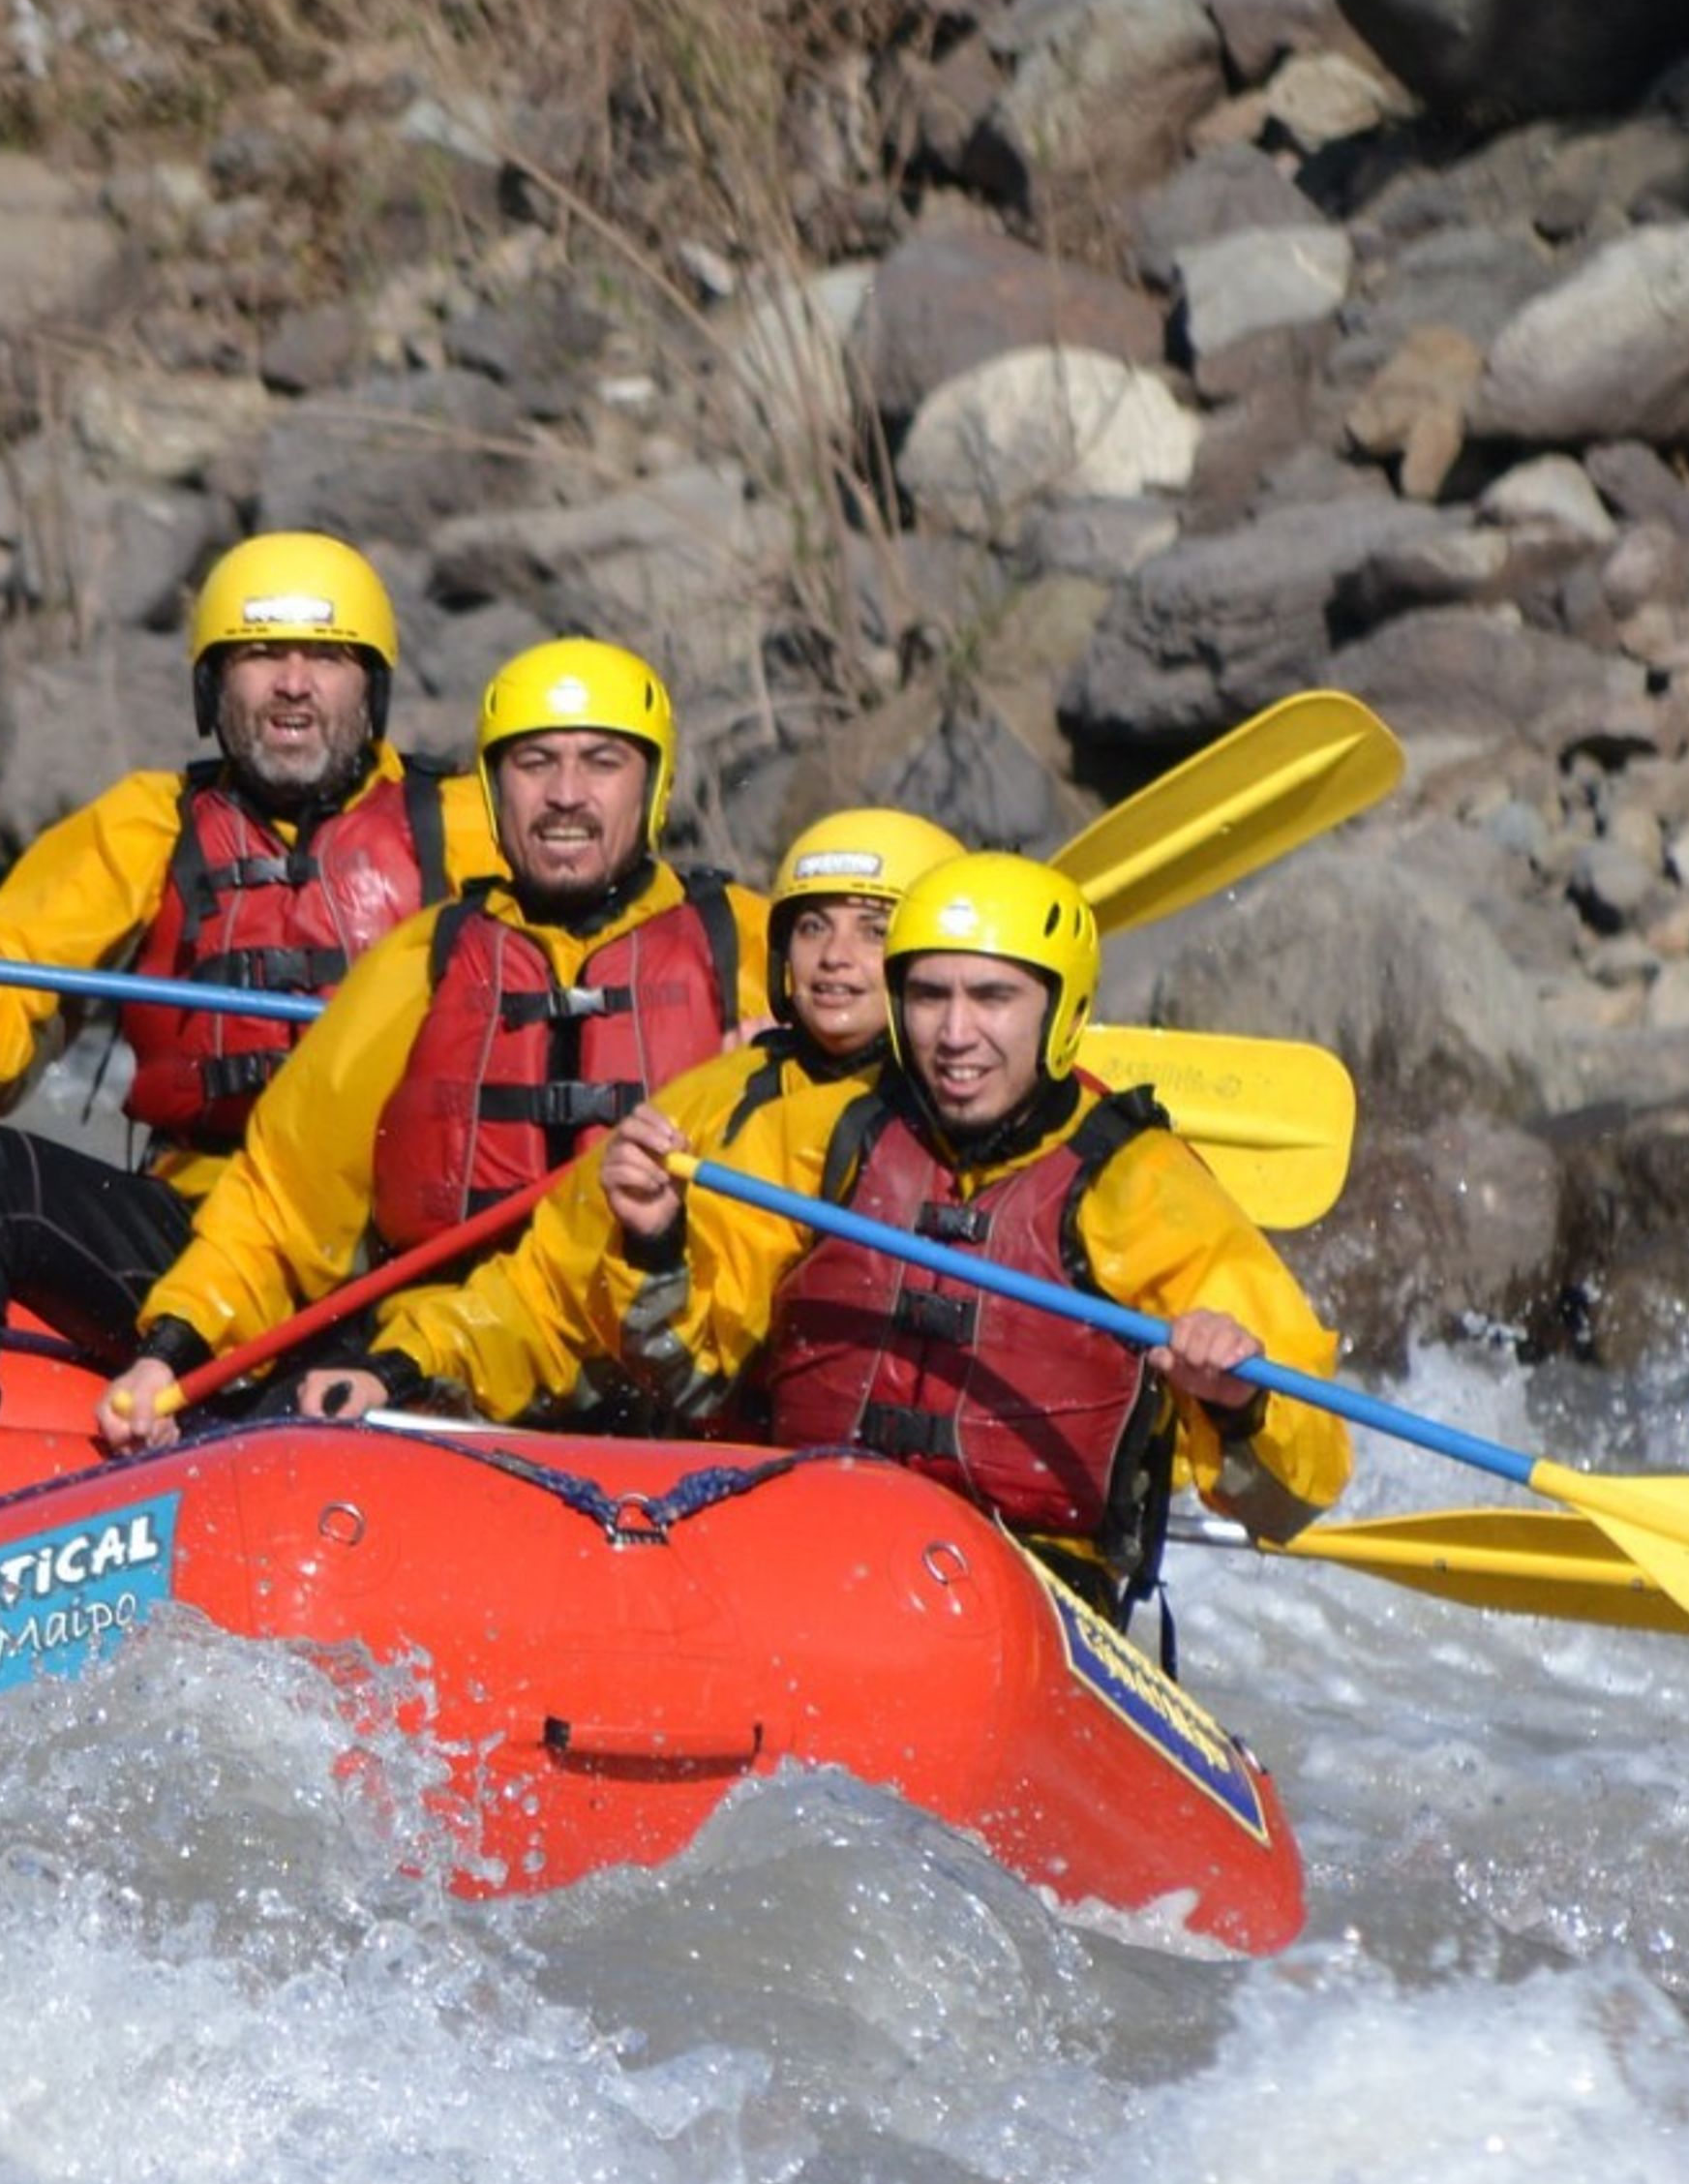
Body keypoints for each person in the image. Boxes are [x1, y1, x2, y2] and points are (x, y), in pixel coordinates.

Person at [589, 850, 1349, 1614]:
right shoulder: (817, 1140)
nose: (955, 1033)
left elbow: (1290, 1500)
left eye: (992, 997)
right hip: (809, 1564)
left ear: (1063, 1014)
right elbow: (683, 1379)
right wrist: (655, 1242)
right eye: (929, 995)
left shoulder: (1143, 1190)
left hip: (1031, 1598)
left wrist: (1236, 1402)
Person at [0, 531, 495, 1422]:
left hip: (401, 1256)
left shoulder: (472, 830)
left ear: (371, 686)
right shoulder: (145, 828)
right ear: (211, 686)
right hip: (195, 1236)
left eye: (327, 658)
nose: (294, 684)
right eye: (260, 656)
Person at [93, 635, 772, 1449]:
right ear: (492, 789)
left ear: (654, 786)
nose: (565, 795)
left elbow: (881, 1080)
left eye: (602, 763)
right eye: (534, 764)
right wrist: (172, 1351)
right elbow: (282, 1202)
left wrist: (788, 1064)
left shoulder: (748, 949)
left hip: (657, 1371)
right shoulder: (426, 959)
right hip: (436, 1369)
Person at [301, 804, 964, 1431]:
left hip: (871, 1469)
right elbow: (552, 1282)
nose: (834, 956)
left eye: (874, 930)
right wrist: (406, 1364)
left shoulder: (971, 1121)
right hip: (716, 1446)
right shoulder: (721, 1091)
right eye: (813, 927)